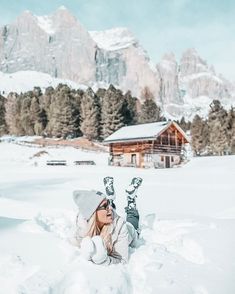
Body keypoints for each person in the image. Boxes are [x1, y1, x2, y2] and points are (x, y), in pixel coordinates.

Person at [73, 177, 143, 265]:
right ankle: (110, 199)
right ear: (92, 213)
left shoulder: (120, 226)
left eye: (108, 204)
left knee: (132, 217)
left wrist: (104, 261)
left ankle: (131, 199)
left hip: (130, 230)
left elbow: (122, 260)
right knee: (109, 213)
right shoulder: (83, 226)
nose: (110, 208)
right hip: (105, 219)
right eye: (105, 205)